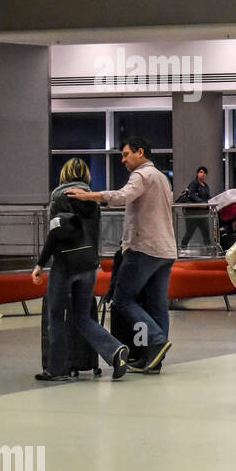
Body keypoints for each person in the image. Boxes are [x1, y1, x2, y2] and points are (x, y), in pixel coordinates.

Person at [67, 136, 177, 373]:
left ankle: (156, 341)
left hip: (143, 248)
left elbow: (122, 196)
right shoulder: (161, 178)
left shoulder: (141, 175)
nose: (123, 160)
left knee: (123, 299)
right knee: (158, 306)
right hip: (166, 250)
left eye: (126, 154)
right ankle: (154, 359)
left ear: (140, 152)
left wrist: (90, 196)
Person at [32, 158, 130, 381]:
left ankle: (56, 370)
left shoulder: (59, 197)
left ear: (64, 174)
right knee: (82, 316)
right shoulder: (92, 199)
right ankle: (114, 350)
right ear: (86, 175)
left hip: (65, 265)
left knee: (56, 317)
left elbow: (54, 234)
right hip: (88, 264)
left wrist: (40, 264)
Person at [178, 165, 213, 249]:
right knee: (189, 232)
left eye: (204, 173)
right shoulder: (194, 183)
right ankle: (182, 248)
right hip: (193, 213)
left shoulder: (205, 186)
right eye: (200, 172)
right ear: (197, 173)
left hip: (203, 213)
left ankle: (208, 250)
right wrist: (202, 203)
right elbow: (192, 195)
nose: (202, 174)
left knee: (206, 233)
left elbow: (208, 197)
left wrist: (210, 202)